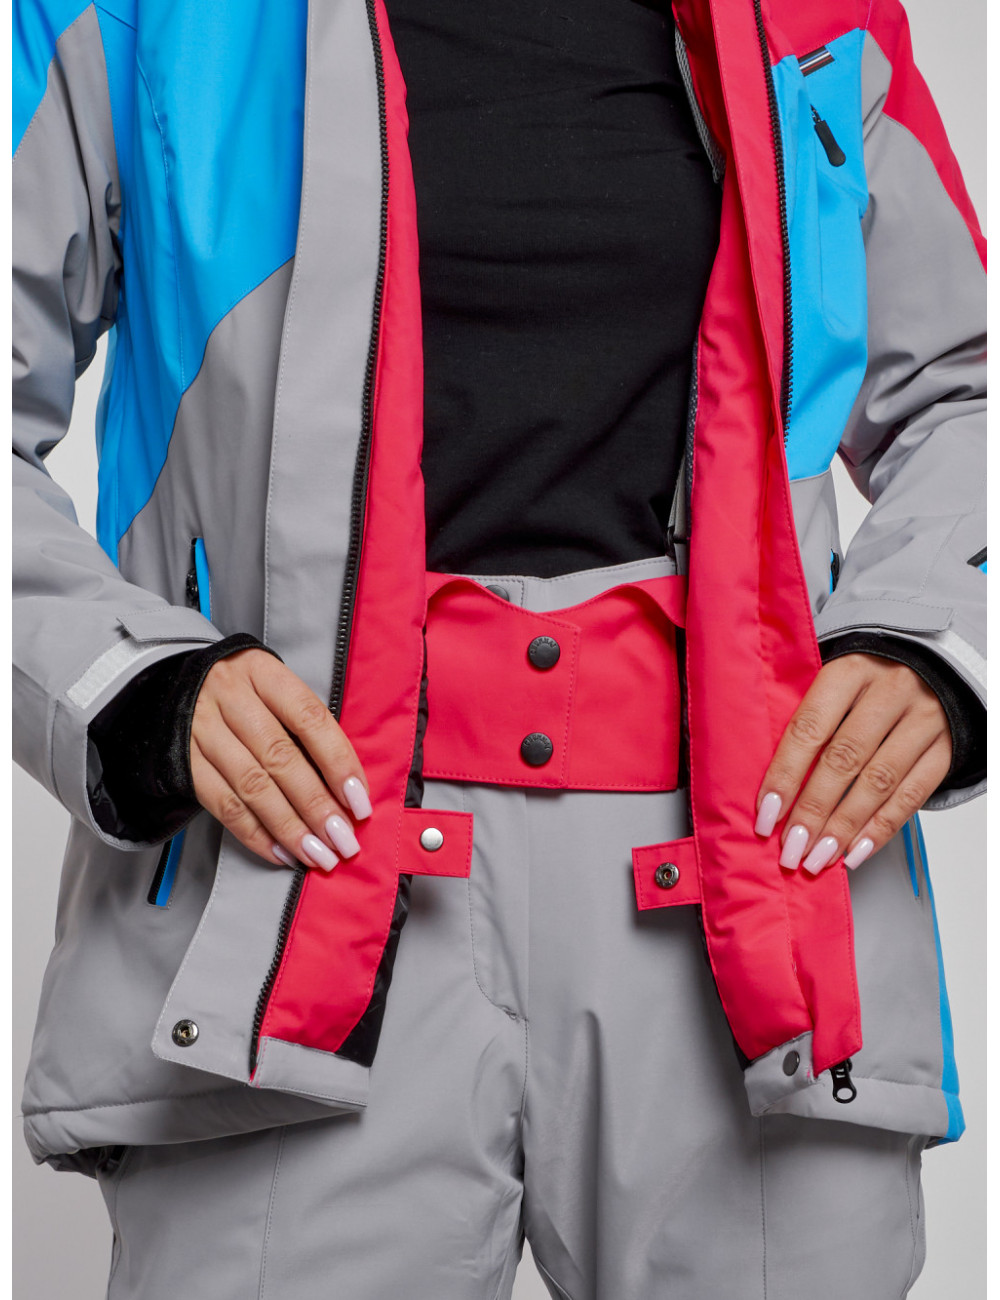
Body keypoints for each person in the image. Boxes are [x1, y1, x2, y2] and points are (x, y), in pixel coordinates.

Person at [12, 0, 985, 1295]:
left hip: (758, 888)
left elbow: (967, 391)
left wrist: (928, 637)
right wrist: (125, 679)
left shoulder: (820, 12)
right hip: (289, 874)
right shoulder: (146, 16)